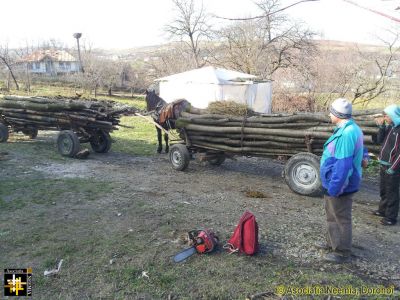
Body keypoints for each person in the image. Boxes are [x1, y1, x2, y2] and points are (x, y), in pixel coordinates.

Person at [318, 98, 364, 263]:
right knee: (332, 215)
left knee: (341, 217)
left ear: (338, 114)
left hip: (339, 185)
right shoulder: (350, 128)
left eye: (331, 111)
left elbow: (343, 166)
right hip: (334, 182)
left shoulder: (346, 133)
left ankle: (342, 252)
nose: (329, 114)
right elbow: (360, 152)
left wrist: (335, 188)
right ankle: (332, 243)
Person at [372, 104, 400, 226]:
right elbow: (379, 140)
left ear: (394, 116)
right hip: (383, 164)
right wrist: (382, 126)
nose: (385, 117)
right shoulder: (390, 127)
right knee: (383, 189)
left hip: (392, 167)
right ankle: (382, 210)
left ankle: (391, 217)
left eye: (386, 115)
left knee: (392, 192)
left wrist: (393, 168)